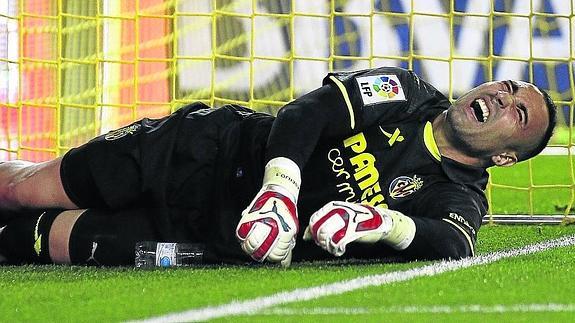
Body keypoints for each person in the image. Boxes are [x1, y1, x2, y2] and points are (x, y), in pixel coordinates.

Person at [0, 66, 557, 267]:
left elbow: (450, 242)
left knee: (43, 243)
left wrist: (379, 223)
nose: (503, 98)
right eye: (508, 87)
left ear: (505, 156)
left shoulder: (460, 197)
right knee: (27, 191)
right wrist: (281, 189)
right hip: (203, 151)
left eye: (519, 111)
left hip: (213, 239)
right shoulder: (406, 92)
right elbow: (308, 112)